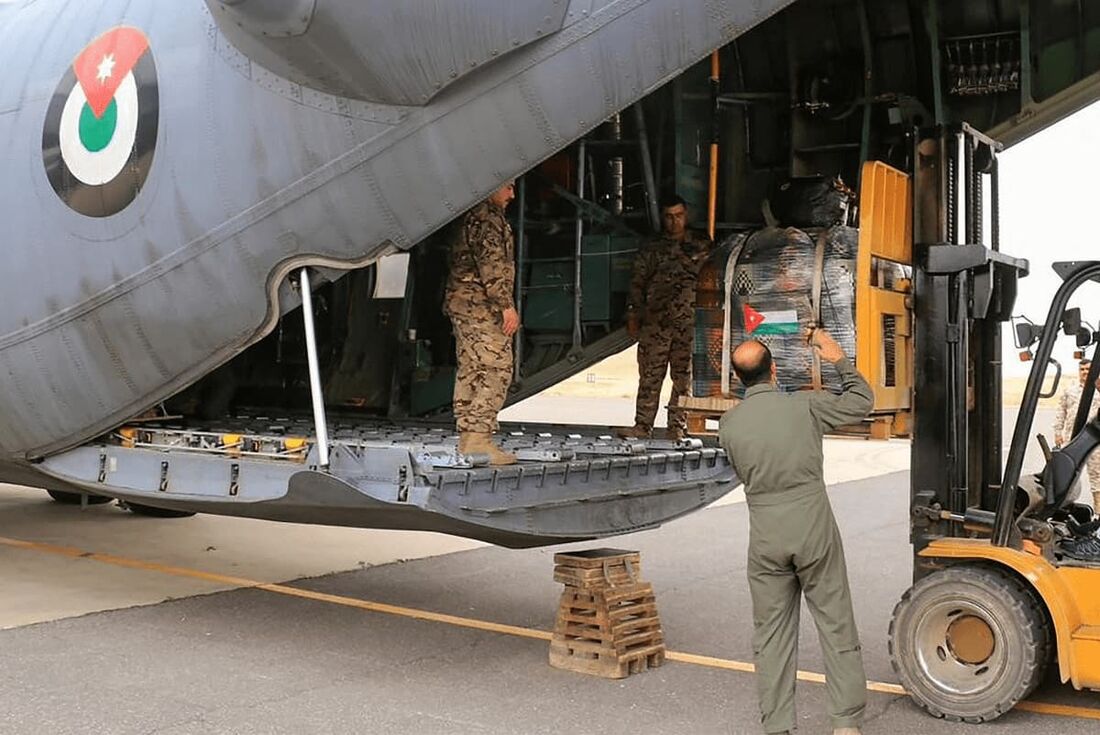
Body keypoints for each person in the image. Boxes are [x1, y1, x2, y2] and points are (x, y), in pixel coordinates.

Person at [718, 329, 872, 735]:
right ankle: (845, 723)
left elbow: (740, 471)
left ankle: (779, 726)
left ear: (739, 380)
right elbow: (862, 403)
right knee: (835, 621)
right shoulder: (804, 406)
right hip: (812, 526)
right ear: (774, 373)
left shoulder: (729, 425)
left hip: (765, 534)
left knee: (771, 636)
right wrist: (838, 359)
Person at [620, 194, 713, 439]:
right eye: (669, 217)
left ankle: (677, 426)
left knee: (684, 379)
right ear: (663, 218)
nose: (675, 222)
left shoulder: (702, 243)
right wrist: (632, 315)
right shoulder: (652, 247)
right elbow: (637, 283)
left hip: (689, 323)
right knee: (650, 375)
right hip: (656, 322)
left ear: (687, 216)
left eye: (679, 216)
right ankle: (642, 426)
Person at [444, 181, 520, 465]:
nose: (513, 195)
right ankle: (478, 437)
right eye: (509, 187)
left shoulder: (471, 214)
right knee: (497, 367)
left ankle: (469, 438)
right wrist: (506, 306)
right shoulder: (487, 218)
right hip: (479, 305)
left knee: (472, 368)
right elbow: (492, 265)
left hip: (463, 302)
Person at [1054, 359, 1100, 509]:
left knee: (1097, 478)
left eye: (1088, 369)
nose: (1085, 372)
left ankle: (1099, 510)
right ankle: (1063, 507)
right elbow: (1061, 411)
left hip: (1093, 439)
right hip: (1072, 437)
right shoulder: (1070, 390)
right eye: (1082, 369)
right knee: (1067, 475)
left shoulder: (1098, 390)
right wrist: (1057, 431)